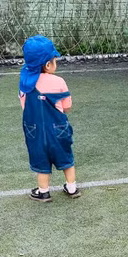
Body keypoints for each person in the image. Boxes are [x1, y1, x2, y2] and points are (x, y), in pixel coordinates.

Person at [19, 35, 80, 202]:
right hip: (58, 129)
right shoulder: (59, 81)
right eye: (54, 60)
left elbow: (25, 106)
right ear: (48, 64)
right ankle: (72, 187)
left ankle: (43, 191)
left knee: (41, 161)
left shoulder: (25, 82)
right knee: (66, 157)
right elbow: (67, 106)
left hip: (34, 130)